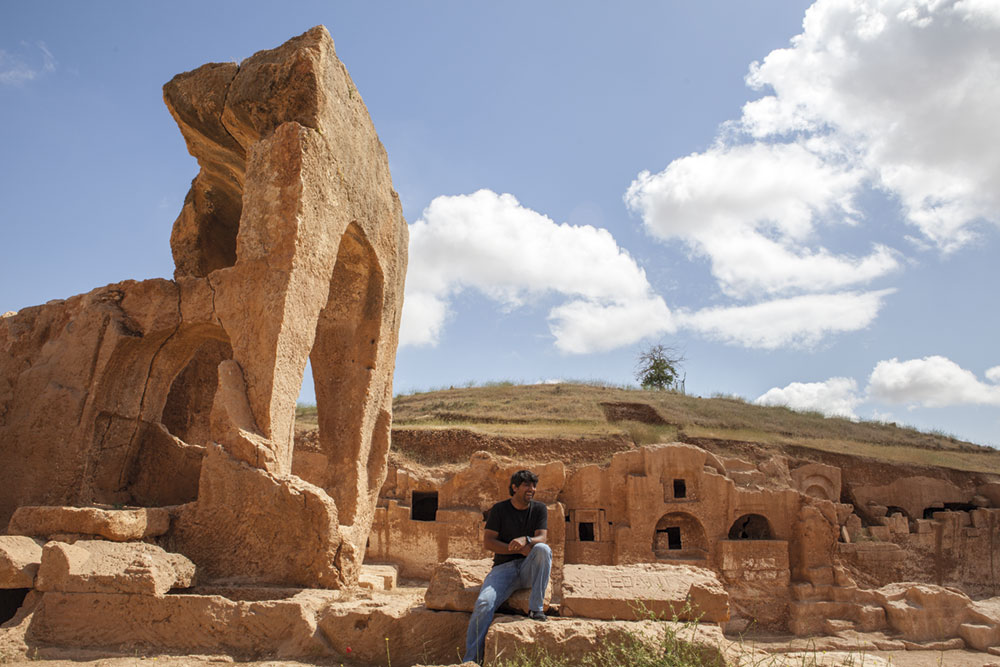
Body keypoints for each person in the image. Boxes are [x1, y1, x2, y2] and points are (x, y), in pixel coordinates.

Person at [463, 469, 552, 664]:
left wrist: (526, 539)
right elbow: (489, 542)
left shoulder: (539, 509)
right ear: (514, 487)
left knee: (543, 549)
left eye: (533, 485)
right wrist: (518, 550)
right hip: (503, 569)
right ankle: (471, 660)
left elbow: (541, 537)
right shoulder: (500, 509)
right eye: (527, 485)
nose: (532, 489)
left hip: (529, 568)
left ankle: (535, 609)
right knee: (484, 604)